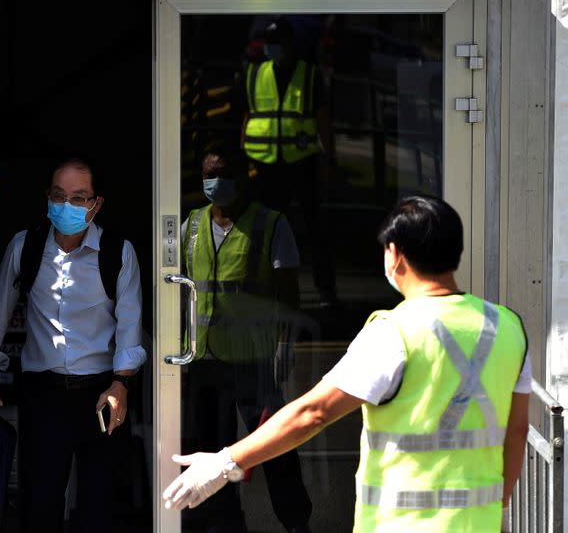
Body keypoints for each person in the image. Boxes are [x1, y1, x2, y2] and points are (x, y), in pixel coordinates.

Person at [164, 195, 531, 533]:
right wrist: (495, 507)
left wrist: (226, 462)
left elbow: (316, 412)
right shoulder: (507, 327)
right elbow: (516, 433)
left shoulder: (394, 331)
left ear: (394, 255)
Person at [0, 155, 147, 533]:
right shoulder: (26, 246)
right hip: (43, 394)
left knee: (98, 504)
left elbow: (130, 325)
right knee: (40, 501)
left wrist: (121, 384)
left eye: (79, 197)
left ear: (96, 204)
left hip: (101, 393)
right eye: (58, 195)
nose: (66, 205)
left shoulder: (119, 252)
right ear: (47, 198)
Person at [180, 140, 312, 533]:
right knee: (208, 454)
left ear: (242, 178)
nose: (216, 182)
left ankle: (297, 524)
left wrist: (286, 352)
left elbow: (289, 296)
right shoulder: (190, 226)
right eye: (209, 175)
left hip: (252, 362)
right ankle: (224, 525)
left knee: (275, 448)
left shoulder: (271, 224)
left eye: (224, 174)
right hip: (203, 362)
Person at [240, 17, 337, 306]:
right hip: (265, 163)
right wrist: (244, 161)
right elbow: (247, 119)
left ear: (291, 45)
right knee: (266, 229)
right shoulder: (255, 74)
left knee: (314, 228)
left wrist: (328, 161)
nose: (273, 48)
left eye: (278, 43)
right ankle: (265, 288)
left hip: (301, 161)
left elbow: (322, 121)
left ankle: (326, 291)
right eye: (270, 43)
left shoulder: (309, 75)